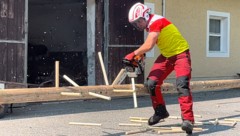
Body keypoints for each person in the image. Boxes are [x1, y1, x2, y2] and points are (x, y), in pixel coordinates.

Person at [124, 2, 194, 133]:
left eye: (138, 22)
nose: (137, 25)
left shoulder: (156, 21)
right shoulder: (150, 26)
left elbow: (149, 44)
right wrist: (140, 55)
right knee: (152, 83)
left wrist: (133, 54)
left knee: (182, 85)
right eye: (135, 23)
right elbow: (150, 43)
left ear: (145, 15)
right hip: (167, 56)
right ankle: (160, 111)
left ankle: (188, 120)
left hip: (181, 54)